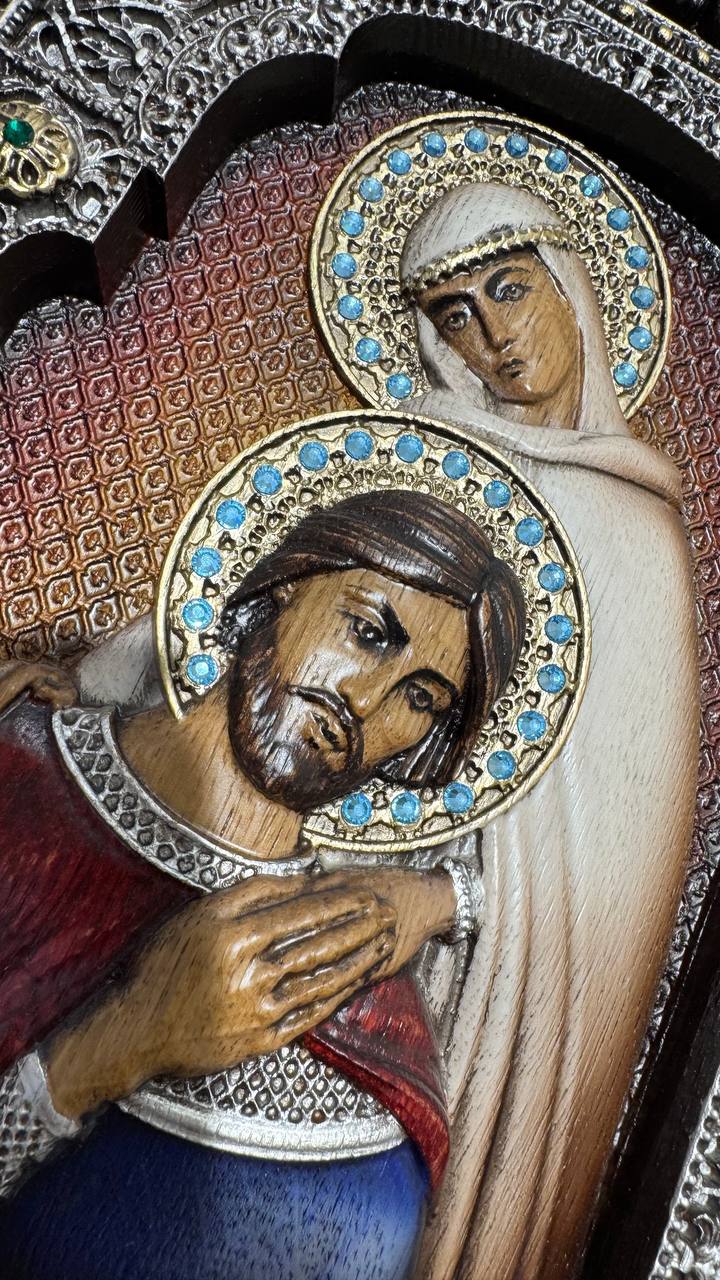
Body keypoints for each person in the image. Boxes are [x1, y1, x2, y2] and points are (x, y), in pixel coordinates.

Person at [0, 487, 524, 1280]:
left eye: (420, 699)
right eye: (366, 632)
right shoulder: (19, 777)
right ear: (281, 588)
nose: (364, 702)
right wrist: (116, 1044)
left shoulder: (369, 1011)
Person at [389, 181, 699, 1279]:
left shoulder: (639, 527)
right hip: (365, 857)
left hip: (510, 953)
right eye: (457, 315)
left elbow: (626, 839)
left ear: (571, 286)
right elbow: (283, 587)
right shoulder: (431, 456)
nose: (494, 336)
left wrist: (463, 900)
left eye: (510, 289)